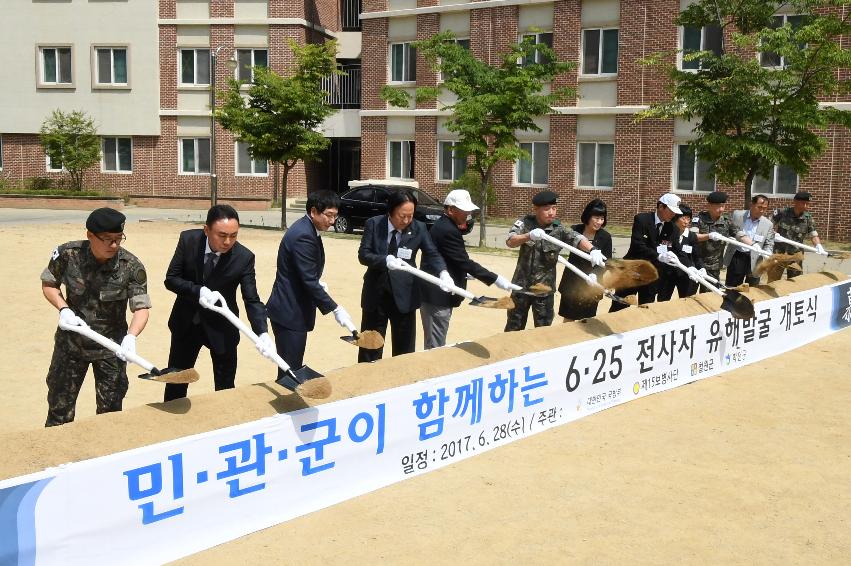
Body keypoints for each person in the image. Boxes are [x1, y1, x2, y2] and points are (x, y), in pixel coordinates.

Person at [40, 208, 151, 426]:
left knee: (110, 412)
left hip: (110, 348)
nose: (114, 245)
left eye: (118, 239)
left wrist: (131, 337)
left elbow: (141, 308)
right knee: (59, 409)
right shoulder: (67, 254)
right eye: (107, 239)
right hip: (71, 346)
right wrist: (64, 309)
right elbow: (49, 284)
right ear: (90, 235)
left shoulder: (131, 266)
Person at [163, 204, 272, 401]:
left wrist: (262, 331)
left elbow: (252, 298)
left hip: (222, 328)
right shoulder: (188, 240)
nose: (228, 241)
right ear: (206, 230)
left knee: (225, 387)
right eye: (222, 235)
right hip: (187, 323)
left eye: (234, 235)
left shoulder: (244, 257)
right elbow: (171, 279)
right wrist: (198, 291)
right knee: (176, 383)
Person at [266, 191, 355, 385]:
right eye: (329, 215)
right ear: (314, 211)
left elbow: (306, 274)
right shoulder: (303, 236)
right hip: (290, 311)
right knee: (290, 370)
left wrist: (317, 282)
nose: (332, 221)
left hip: (292, 307)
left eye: (335, 215)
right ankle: (287, 411)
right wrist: (335, 308)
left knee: (290, 365)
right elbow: (308, 280)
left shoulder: (307, 229)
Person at [357, 189, 450, 362]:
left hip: (405, 296)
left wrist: (443, 272)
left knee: (404, 350)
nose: (406, 220)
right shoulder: (374, 224)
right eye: (402, 216)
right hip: (376, 295)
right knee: (370, 347)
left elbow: (432, 253)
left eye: (410, 215)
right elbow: (364, 255)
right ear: (390, 211)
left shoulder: (419, 228)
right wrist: (385, 260)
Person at [420, 189, 520, 349]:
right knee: (435, 345)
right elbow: (464, 261)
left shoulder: (447, 225)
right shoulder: (447, 230)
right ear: (451, 209)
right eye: (464, 211)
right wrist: (495, 279)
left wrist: (463, 272)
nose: (467, 215)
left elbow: (452, 258)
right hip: (436, 296)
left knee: (437, 339)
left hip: (443, 292)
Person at [505, 190, 605, 330]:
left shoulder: (558, 229)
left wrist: (592, 249)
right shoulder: (524, 222)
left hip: (544, 292)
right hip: (521, 289)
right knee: (513, 328)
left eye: (554, 208)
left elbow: (577, 238)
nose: (551, 212)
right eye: (547, 209)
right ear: (536, 209)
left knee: (544, 331)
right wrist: (529, 236)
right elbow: (510, 241)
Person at [610, 193, 683, 312]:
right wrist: (658, 256)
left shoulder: (673, 229)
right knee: (620, 305)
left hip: (652, 276)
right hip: (632, 271)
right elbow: (637, 244)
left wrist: (691, 267)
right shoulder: (642, 219)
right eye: (670, 210)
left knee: (646, 308)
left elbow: (678, 251)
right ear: (660, 206)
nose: (673, 214)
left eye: (675, 212)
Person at [557, 199, 613, 321]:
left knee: (587, 322)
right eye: (596, 218)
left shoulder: (605, 237)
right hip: (572, 282)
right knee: (568, 319)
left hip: (591, 285)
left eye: (602, 219)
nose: (599, 222)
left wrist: (595, 274)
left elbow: (606, 262)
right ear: (588, 216)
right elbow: (560, 244)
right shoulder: (575, 230)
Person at [771, 191, 827, 279]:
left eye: (807, 204)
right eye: (803, 203)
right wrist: (773, 234)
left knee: (795, 281)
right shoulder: (782, 213)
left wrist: (818, 245)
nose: (805, 206)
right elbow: (768, 226)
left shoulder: (808, 218)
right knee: (773, 279)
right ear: (795, 202)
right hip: (779, 253)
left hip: (795, 255)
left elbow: (813, 235)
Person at [723, 194, 775, 287]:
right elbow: (728, 229)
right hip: (737, 255)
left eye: (765, 208)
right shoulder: (737, 215)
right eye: (759, 207)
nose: (762, 210)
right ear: (752, 205)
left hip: (755, 259)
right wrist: (729, 237)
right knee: (732, 288)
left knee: (752, 289)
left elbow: (769, 243)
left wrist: (767, 253)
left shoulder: (768, 224)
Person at [692, 191, 739, 293]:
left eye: (723, 206)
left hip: (714, 266)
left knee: (710, 296)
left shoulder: (727, 220)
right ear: (709, 205)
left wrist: (753, 244)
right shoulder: (699, 218)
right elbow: (693, 236)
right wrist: (708, 236)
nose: (721, 209)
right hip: (696, 263)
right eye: (718, 206)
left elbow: (738, 234)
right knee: (690, 294)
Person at [658, 203, 705, 301]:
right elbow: (662, 250)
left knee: (686, 301)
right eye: (683, 218)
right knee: (663, 300)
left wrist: (701, 268)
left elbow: (697, 256)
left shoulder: (691, 237)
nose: (686, 222)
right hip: (667, 274)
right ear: (675, 218)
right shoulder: (666, 232)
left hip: (686, 274)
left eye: (688, 219)